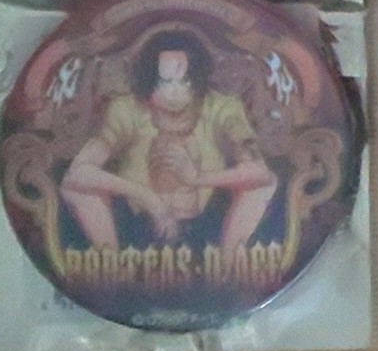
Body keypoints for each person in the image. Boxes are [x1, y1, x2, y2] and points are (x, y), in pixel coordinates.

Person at [59, 32, 278, 254]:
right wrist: (146, 196)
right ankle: (110, 261)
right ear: (150, 79)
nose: (174, 92)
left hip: (207, 224)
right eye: (165, 82)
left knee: (264, 185)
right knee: (74, 187)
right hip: (135, 222)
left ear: (198, 80)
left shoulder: (223, 108)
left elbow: (260, 173)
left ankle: (228, 263)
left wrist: (197, 178)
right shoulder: (126, 109)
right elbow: (78, 172)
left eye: (184, 81)